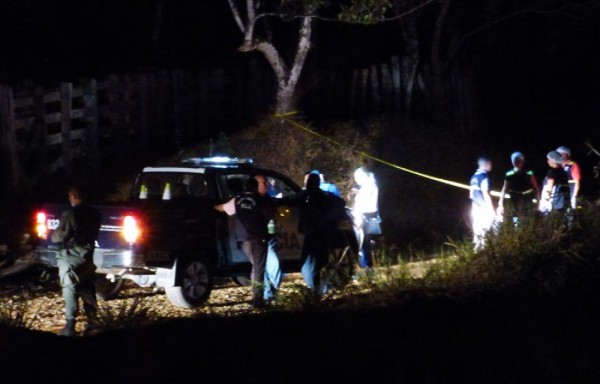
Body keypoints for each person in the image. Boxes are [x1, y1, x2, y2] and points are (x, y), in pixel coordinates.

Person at [214, 177, 275, 308]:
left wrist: (208, 206)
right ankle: (258, 300)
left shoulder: (237, 200)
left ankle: (262, 295)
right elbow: (270, 215)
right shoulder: (260, 200)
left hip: (243, 240)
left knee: (256, 266)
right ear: (255, 187)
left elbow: (221, 208)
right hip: (258, 238)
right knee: (259, 269)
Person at [51, 185, 102, 336]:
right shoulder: (95, 213)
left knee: (69, 286)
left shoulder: (71, 213)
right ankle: (93, 322)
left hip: (71, 255)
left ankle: (70, 325)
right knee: (87, 286)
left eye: (70, 196)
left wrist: (53, 235)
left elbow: (59, 236)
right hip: (87, 254)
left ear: (74, 196)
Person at [287, 173, 346, 296]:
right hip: (317, 233)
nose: (307, 184)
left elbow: (340, 203)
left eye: (309, 182)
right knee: (314, 263)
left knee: (316, 263)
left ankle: (319, 290)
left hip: (319, 233)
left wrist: (327, 219)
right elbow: (341, 203)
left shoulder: (312, 196)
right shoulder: (321, 195)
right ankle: (318, 288)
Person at [254, 174, 281, 303]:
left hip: (270, 236)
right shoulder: (253, 201)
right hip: (259, 239)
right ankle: (268, 295)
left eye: (266, 183)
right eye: (262, 183)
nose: (266, 185)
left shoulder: (269, 199)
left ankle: (272, 293)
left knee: (274, 266)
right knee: (264, 267)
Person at [346, 166, 379, 268]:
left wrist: (355, 216)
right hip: (365, 217)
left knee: (363, 244)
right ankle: (366, 266)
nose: (355, 179)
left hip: (363, 218)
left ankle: (367, 267)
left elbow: (363, 204)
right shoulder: (368, 186)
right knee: (365, 244)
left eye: (356, 177)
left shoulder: (369, 186)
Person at [497, 151, 540, 226]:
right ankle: (517, 231)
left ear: (522, 161)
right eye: (514, 160)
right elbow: (504, 188)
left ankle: (526, 231)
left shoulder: (529, 173)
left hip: (527, 199)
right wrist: (500, 202)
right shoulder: (509, 174)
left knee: (527, 218)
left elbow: (535, 187)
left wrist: (538, 201)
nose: (516, 162)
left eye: (518, 160)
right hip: (514, 199)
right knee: (515, 217)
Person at [469, 156, 496, 251]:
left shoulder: (473, 177)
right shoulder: (484, 177)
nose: (491, 166)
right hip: (484, 208)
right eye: (490, 164)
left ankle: (476, 252)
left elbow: (471, 195)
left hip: (475, 207)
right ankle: (485, 253)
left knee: (477, 231)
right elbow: (486, 193)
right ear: (486, 165)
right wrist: (492, 210)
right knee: (487, 231)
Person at [539, 150, 571, 215]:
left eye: (549, 159)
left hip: (554, 203)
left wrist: (545, 202)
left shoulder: (552, 173)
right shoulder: (564, 172)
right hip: (564, 202)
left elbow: (549, 189)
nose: (547, 161)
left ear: (554, 160)